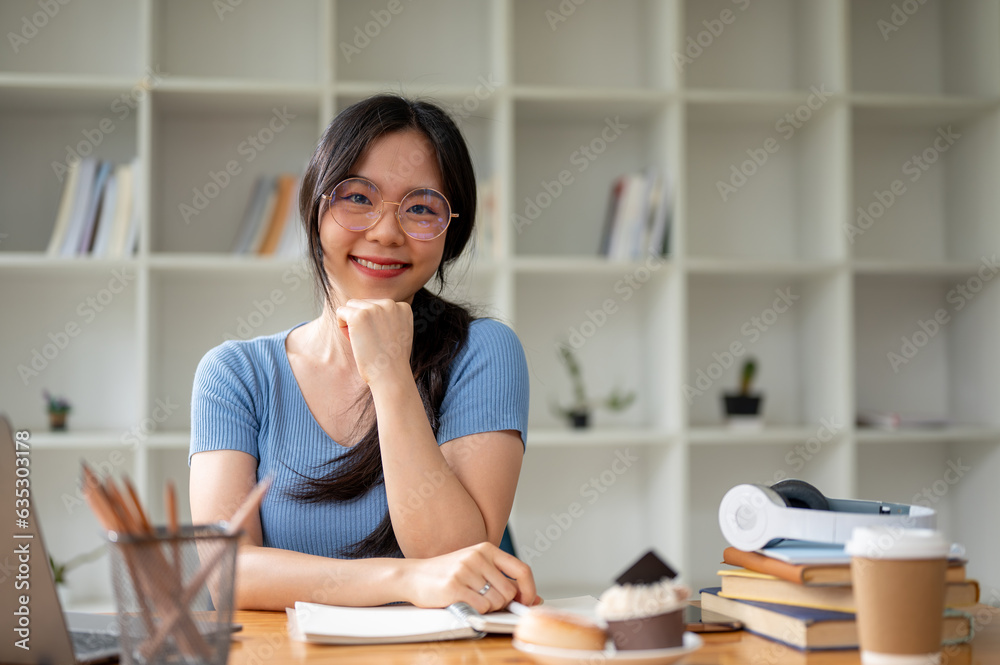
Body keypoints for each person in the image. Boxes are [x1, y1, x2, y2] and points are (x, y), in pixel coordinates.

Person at [188, 95, 537, 612]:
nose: (386, 232)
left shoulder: (482, 352)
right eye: (357, 197)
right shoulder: (235, 374)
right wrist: (405, 581)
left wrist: (390, 374)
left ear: (451, 233)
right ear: (315, 208)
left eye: (420, 208)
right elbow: (227, 574)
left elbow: (459, 557)